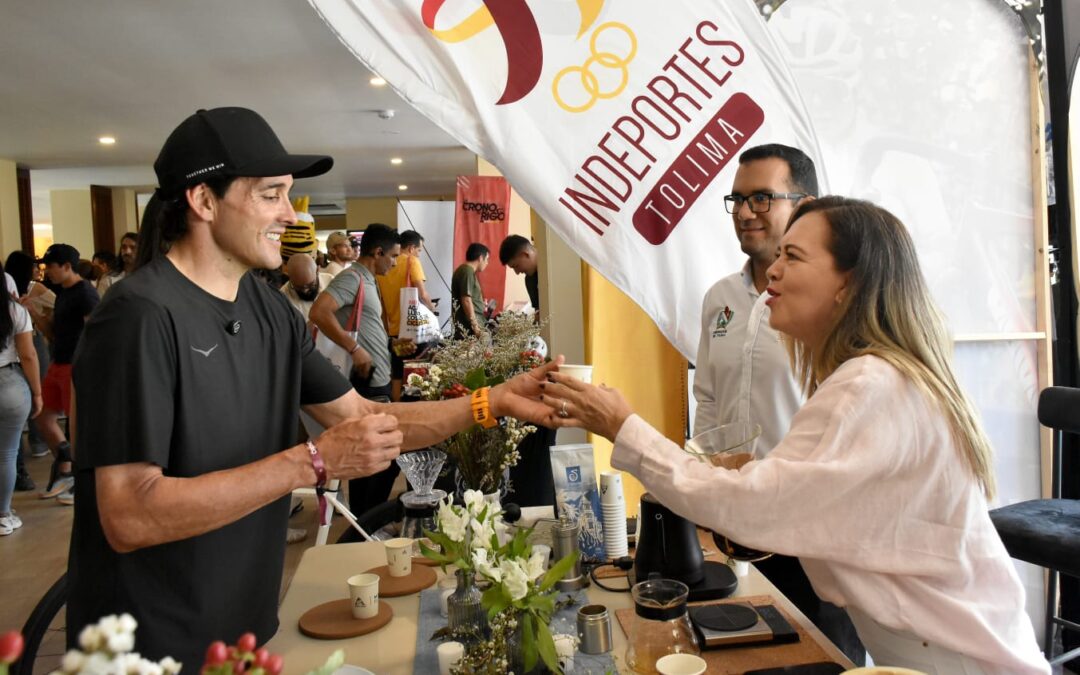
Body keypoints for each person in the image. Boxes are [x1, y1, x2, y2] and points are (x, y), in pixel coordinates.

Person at [67, 106, 561, 669]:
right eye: (271, 194)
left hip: (245, 623)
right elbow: (130, 514)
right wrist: (311, 464)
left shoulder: (266, 310)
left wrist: (489, 402)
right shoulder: (138, 317)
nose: (289, 215)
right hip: (151, 643)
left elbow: (361, 418)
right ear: (203, 201)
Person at [540, 196, 1049, 674]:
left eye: (793, 256)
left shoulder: (871, 385)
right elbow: (788, 497)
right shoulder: (873, 378)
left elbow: (756, 508)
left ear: (848, 284)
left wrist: (622, 425)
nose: (774, 271)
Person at [695, 144, 862, 660]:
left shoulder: (832, 306)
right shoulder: (718, 299)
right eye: (738, 200)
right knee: (748, 656)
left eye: (763, 198)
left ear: (804, 207)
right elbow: (707, 397)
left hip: (809, 531)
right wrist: (706, 485)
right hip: (735, 526)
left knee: (827, 656)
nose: (745, 213)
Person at [310, 223, 401, 518]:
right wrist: (354, 348)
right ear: (378, 252)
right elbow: (319, 311)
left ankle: (368, 516)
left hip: (378, 378)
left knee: (381, 454)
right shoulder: (352, 278)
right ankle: (367, 518)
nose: (395, 262)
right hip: (365, 381)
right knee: (377, 454)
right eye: (394, 256)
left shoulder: (368, 280)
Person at [20, 243, 99, 505]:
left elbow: (95, 333)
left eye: (50, 267)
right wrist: (33, 313)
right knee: (43, 418)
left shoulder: (86, 293)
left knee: (77, 425)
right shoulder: (62, 292)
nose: (46, 272)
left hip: (76, 366)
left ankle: (78, 478)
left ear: (66, 267)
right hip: (58, 362)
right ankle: (66, 469)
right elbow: (52, 332)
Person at [0, 260, 41, 535]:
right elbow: (28, 354)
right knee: (7, 453)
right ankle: (3, 514)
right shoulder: (14, 310)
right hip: (9, 383)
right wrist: (37, 392)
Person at [376, 229, 435, 401]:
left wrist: (387, 332)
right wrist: (431, 310)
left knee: (397, 373)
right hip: (414, 331)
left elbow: (382, 304)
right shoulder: (412, 262)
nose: (419, 254)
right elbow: (422, 294)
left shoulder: (383, 268)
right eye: (419, 250)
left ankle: (395, 409)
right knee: (417, 372)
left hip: (394, 330)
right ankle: (415, 410)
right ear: (410, 248)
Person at [280, 253, 331, 324]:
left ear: (317, 270)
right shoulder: (283, 297)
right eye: (298, 287)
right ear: (289, 276)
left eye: (311, 284)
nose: (305, 291)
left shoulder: (331, 282)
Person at [452, 242, 489, 338]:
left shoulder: (466, 271)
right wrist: (476, 327)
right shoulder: (467, 271)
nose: (487, 263)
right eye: (487, 259)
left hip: (470, 325)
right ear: (480, 258)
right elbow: (466, 300)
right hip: (469, 328)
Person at [498, 234, 540, 319]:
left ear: (525, 254)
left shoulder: (552, 268)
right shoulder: (529, 280)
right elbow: (539, 313)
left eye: (516, 266)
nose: (517, 273)